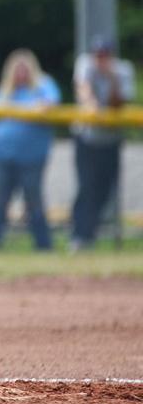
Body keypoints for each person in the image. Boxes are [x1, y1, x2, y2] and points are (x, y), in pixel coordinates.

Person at [0, 49, 60, 250]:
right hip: (3, 155)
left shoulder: (43, 85)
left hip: (32, 157)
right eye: (17, 69)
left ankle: (43, 246)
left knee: (34, 202)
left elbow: (50, 103)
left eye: (24, 69)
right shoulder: (4, 90)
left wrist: (28, 109)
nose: (21, 73)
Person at [69, 34, 136, 250]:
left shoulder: (123, 70)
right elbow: (83, 89)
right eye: (98, 54)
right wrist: (91, 104)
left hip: (110, 140)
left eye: (105, 55)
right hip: (86, 138)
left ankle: (92, 235)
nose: (101, 59)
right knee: (86, 187)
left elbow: (119, 104)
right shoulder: (85, 64)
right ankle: (80, 236)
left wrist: (111, 78)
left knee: (106, 191)